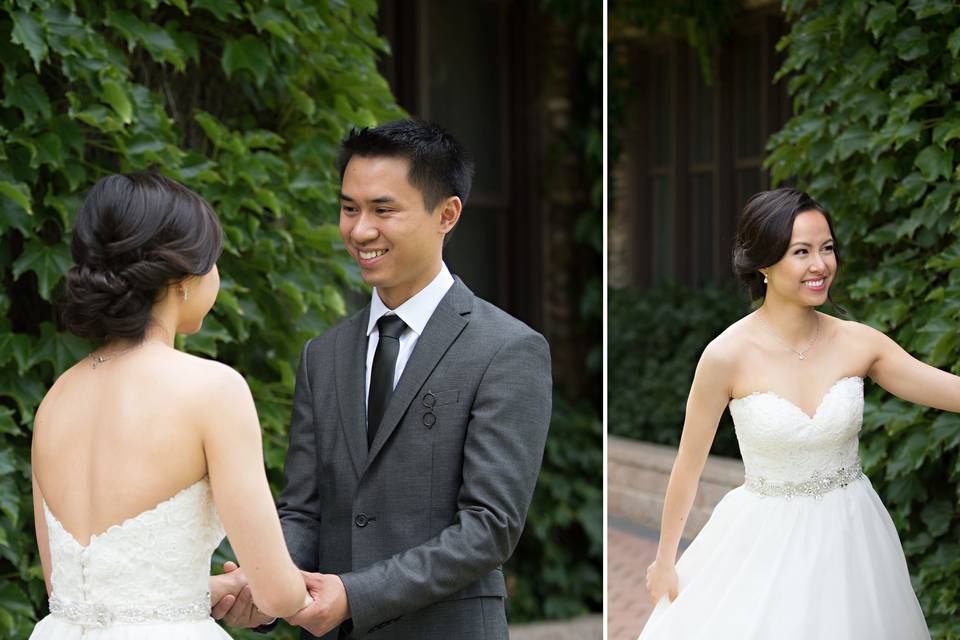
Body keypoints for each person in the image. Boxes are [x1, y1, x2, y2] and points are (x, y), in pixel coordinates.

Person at [211, 119, 553, 639]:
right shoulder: (320, 356)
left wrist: (355, 595)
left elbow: (489, 527)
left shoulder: (507, 349)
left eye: (383, 210)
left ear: (448, 214)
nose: (360, 230)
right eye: (349, 208)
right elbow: (303, 511)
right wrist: (263, 585)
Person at [638, 188, 956, 639]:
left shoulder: (859, 342)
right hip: (764, 539)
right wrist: (665, 559)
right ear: (763, 263)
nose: (820, 265)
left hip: (853, 534)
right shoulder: (726, 355)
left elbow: (950, 392)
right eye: (801, 252)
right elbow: (688, 466)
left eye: (827, 249)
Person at [29, 173, 315, 639]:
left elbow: (73, 590)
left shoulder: (55, 399)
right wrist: (289, 593)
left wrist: (207, 587)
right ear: (182, 278)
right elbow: (277, 593)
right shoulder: (213, 390)